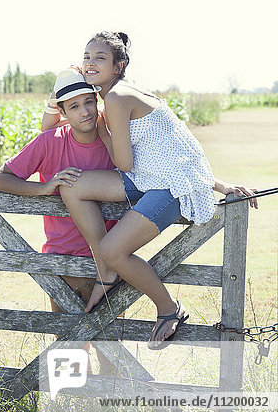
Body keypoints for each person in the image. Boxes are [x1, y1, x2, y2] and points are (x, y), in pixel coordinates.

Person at [45, 31, 258, 350]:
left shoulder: (116, 98)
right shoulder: (112, 97)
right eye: (87, 57)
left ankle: (169, 308)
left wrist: (103, 134)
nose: (90, 63)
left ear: (118, 66)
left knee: (114, 250)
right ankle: (104, 266)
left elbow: (128, 163)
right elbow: (171, 150)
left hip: (169, 187)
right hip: (152, 177)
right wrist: (220, 183)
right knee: (71, 184)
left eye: (100, 58)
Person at [0, 67, 117, 318]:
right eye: (74, 107)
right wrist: (44, 188)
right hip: (61, 260)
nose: (85, 112)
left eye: (89, 103)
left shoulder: (115, 142)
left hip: (109, 261)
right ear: (62, 112)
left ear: (97, 103)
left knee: (110, 349)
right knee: (68, 350)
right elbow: (0, 179)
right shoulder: (50, 141)